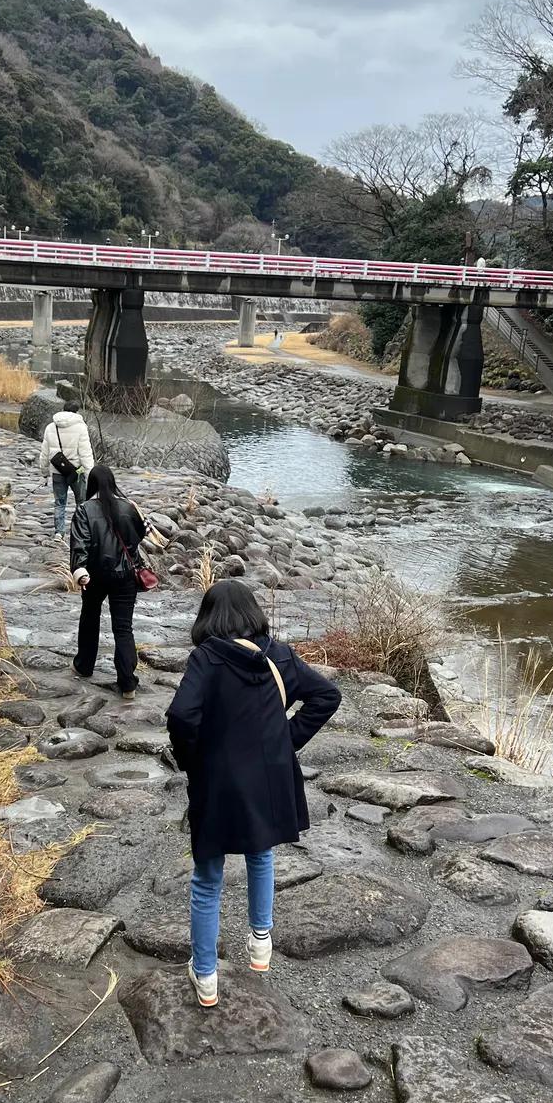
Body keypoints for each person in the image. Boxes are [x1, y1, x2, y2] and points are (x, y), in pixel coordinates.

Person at [166, 580, 341, 1008]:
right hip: (268, 777)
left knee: (208, 879)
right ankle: (260, 946)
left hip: (218, 781)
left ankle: (205, 977)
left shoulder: (206, 659)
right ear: (252, 613)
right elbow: (326, 695)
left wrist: (193, 760)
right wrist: (286, 740)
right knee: (261, 855)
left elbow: (181, 716)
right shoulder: (278, 655)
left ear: (208, 617)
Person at [69, 464, 158, 699]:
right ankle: (128, 683)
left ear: (92, 484)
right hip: (126, 575)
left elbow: (80, 543)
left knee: (90, 617)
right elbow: (137, 538)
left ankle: (84, 665)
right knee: (123, 628)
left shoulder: (84, 510)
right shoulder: (129, 507)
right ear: (112, 481)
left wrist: (80, 571)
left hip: (95, 575)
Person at [39, 401, 94, 540]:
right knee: (81, 502)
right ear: (77, 412)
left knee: (59, 502)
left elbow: (44, 453)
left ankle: (59, 532)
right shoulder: (81, 428)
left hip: (57, 471)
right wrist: (90, 473)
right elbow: (85, 453)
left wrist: (44, 473)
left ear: (63, 410)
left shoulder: (51, 427)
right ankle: (81, 531)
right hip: (77, 471)